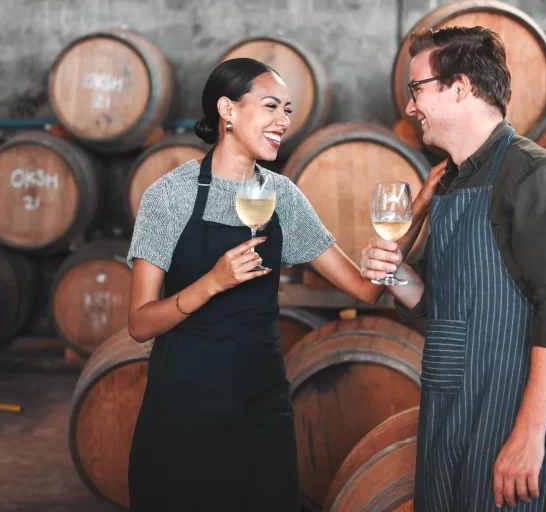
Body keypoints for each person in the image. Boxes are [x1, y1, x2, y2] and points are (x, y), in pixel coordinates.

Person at [124, 57, 434, 511]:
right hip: (182, 404)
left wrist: (418, 210)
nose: (283, 121)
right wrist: (212, 283)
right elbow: (138, 323)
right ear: (227, 110)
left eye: (288, 110)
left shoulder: (282, 196)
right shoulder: (169, 196)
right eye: (271, 106)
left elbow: (364, 288)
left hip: (260, 403)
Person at [360, 27, 546, 511]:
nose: (410, 107)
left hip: (508, 412)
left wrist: (529, 437)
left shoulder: (538, 177)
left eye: (416, 89)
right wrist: (393, 273)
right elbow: (433, 299)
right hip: (447, 412)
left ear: (460, 87)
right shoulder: (449, 179)